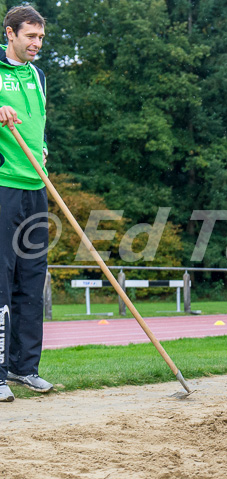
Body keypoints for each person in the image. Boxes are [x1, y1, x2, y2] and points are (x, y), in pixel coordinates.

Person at [0, 5, 52, 402]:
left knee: (32, 280)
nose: (37, 44)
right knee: (1, 280)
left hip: (37, 185)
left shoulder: (37, 74)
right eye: (30, 36)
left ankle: (23, 367)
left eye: (40, 38)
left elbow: (39, 126)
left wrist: (45, 149)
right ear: (10, 33)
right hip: (4, 185)